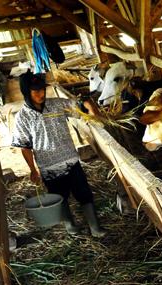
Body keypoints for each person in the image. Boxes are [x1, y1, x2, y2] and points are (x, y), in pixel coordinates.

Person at [11, 71, 106, 237]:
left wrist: (89, 106)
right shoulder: (22, 117)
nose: (41, 94)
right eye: (36, 91)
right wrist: (33, 169)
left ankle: (95, 228)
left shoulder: (56, 104)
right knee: (60, 198)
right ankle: (71, 227)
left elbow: (81, 105)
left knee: (84, 193)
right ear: (27, 92)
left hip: (70, 159)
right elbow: (24, 146)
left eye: (42, 89)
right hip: (49, 167)